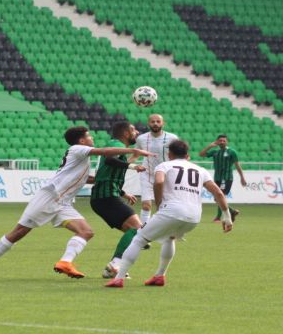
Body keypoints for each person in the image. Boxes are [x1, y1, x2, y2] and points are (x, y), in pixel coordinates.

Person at [0, 126, 154, 280]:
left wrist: (121, 190)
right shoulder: (77, 149)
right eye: (89, 136)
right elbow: (105, 152)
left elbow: (93, 179)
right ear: (81, 141)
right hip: (49, 197)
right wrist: (133, 151)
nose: (92, 138)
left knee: (86, 232)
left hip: (63, 203)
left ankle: (65, 262)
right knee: (19, 232)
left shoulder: (82, 158)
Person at [105, 140, 233, 288]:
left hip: (172, 211)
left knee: (139, 238)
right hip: (194, 217)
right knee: (169, 238)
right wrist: (227, 217)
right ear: (188, 156)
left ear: (169, 154)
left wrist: (159, 204)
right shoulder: (201, 170)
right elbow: (218, 192)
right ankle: (159, 276)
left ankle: (118, 278)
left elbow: (158, 182)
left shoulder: (164, 165)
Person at [89, 121, 146, 279]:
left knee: (136, 234)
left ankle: (113, 268)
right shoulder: (114, 144)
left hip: (105, 196)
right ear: (126, 133)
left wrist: (123, 192)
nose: (137, 133)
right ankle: (115, 264)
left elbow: (109, 171)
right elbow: (109, 161)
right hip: (105, 197)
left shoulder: (117, 148)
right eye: (134, 130)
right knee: (138, 230)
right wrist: (134, 166)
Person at [135, 114, 179, 225]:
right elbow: (136, 154)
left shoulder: (172, 138)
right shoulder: (141, 138)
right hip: (147, 174)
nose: (155, 123)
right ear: (148, 123)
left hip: (166, 175)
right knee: (146, 205)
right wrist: (126, 165)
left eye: (158, 121)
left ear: (163, 123)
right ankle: (143, 231)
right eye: (152, 121)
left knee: (165, 206)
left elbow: (179, 155)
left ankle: (167, 230)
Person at [199, 134, 246, 222]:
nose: (222, 142)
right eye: (220, 140)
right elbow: (201, 154)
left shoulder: (232, 152)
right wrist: (210, 146)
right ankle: (232, 211)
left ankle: (218, 217)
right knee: (217, 198)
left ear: (227, 142)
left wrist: (242, 177)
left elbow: (237, 165)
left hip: (226, 178)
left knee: (220, 196)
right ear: (217, 141)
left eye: (224, 141)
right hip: (217, 178)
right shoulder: (215, 152)